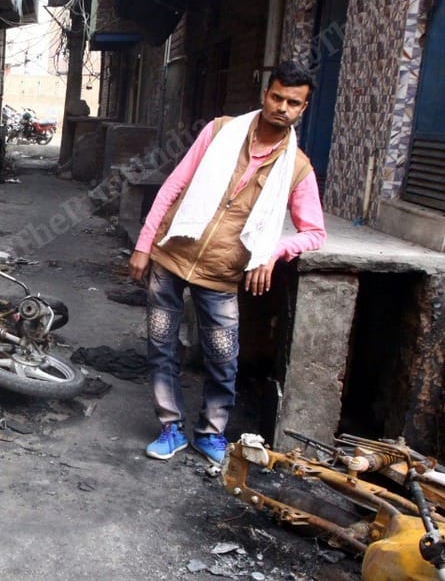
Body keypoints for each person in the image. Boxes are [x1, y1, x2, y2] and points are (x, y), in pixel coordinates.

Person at [128, 60, 326, 465]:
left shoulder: (298, 167)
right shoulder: (220, 131)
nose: (282, 107)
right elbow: (175, 185)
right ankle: (170, 427)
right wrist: (144, 244)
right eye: (277, 97)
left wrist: (272, 252)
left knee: (223, 358)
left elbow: (315, 232)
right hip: (171, 256)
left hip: (222, 274)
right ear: (264, 94)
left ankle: (211, 433)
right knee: (161, 346)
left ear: (303, 109)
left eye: (293, 102)